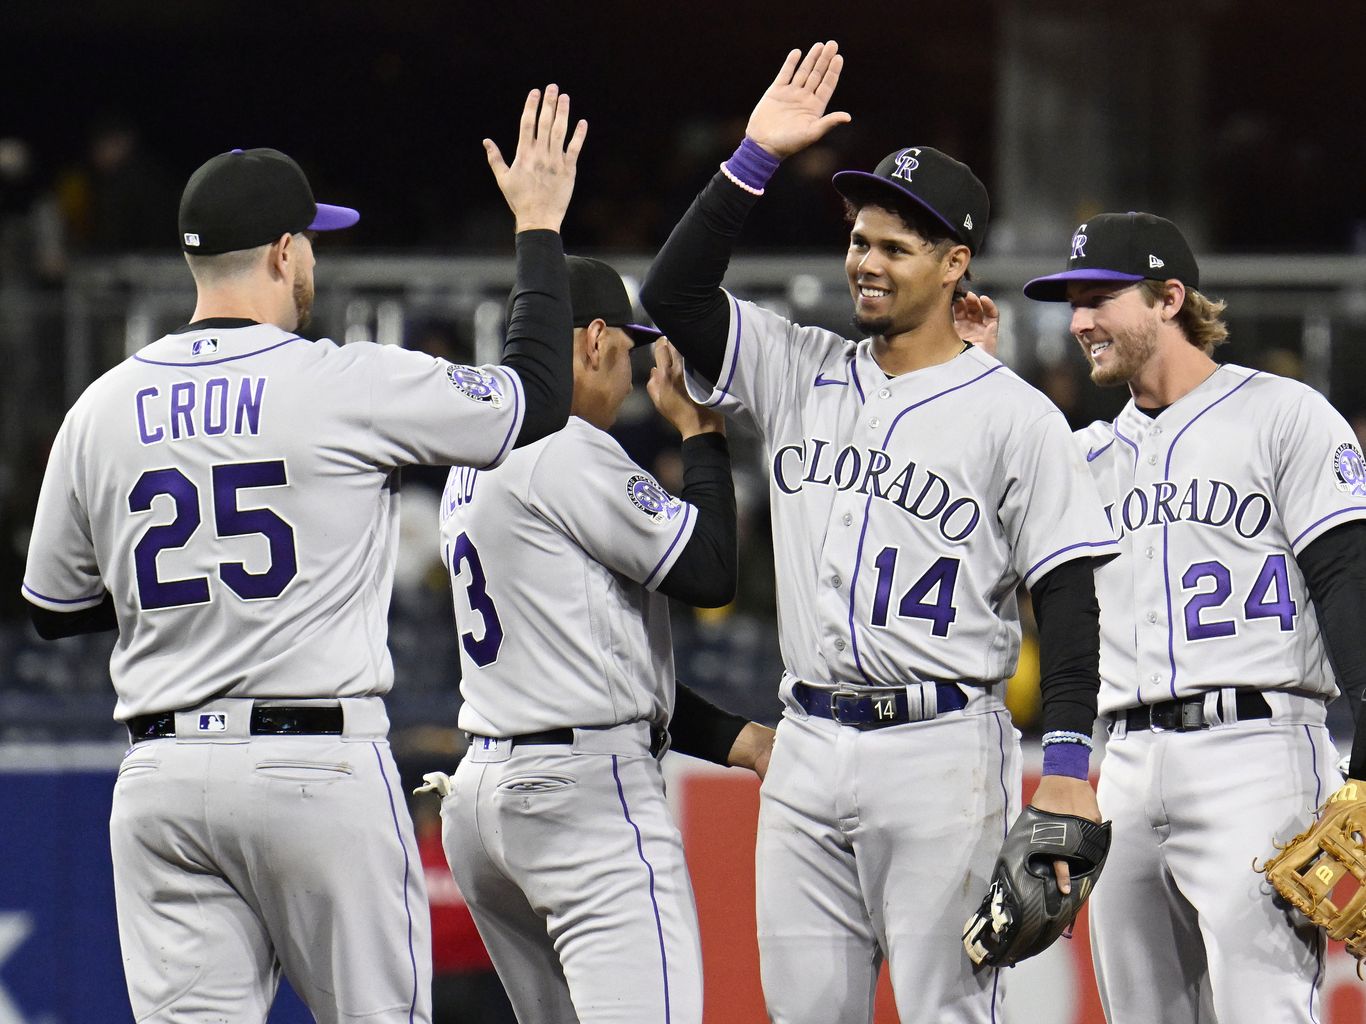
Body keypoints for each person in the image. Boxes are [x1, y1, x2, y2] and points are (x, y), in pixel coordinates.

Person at [20, 84, 586, 1023]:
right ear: (285, 251)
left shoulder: (100, 406)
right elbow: (535, 394)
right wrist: (536, 225)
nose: (315, 254)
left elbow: (53, 607)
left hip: (160, 778)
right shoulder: (342, 381)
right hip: (313, 768)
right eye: (312, 238)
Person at [640, 41, 1118, 1024]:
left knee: (947, 1011)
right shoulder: (795, 363)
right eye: (859, 238)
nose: (865, 260)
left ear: (954, 266)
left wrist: (1067, 769)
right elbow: (672, 295)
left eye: (895, 247)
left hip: (941, 747)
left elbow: (1067, 603)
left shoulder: (1011, 413)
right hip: (807, 740)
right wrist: (752, 160)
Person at [1023, 211, 1366, 1022]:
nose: (1078, 321)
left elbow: (1349, 583)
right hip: (1128, 764)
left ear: (1169, 297)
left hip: (1259, 753)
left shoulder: (1283, 415)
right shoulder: (1083, 456)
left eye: (1098, 297)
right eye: (1072, 302)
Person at [421, 255, 773, 1024]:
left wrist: (734, 739)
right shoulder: (567, 443)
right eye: (629, 350)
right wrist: (703, 435)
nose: (632, 368)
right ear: (593, 340)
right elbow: (711, 571)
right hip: (579, 800)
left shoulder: (474, 456)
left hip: (485, 795)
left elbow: (591, 658)